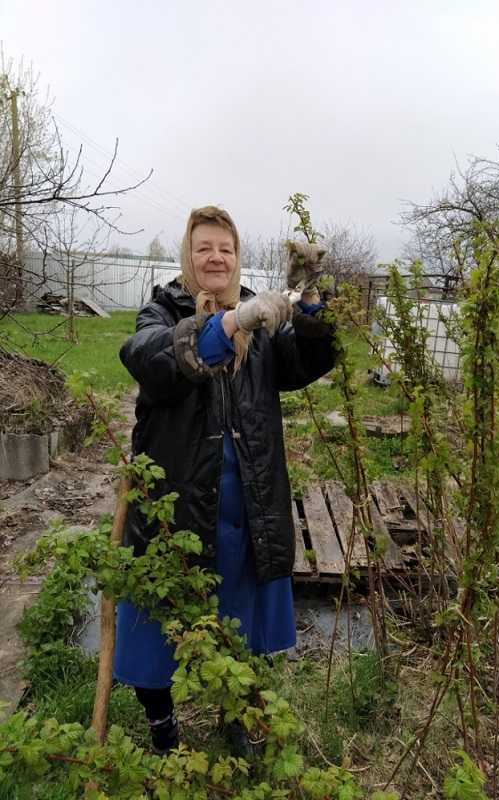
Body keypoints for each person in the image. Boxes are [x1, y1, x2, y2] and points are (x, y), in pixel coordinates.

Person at [113, 206, 335, 754]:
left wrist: (307, 304)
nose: (216, 257)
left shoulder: (260, 319)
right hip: (177, 504)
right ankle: (162, 725)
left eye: (226, 249)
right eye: (204, 247)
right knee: (155, 626)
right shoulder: (160, 314)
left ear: (237, 258)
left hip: (247, 501)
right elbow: (152, 361)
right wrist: (233, 323)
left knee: (241, 622)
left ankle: (234, 716)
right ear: (188, 256)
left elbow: (303, 364)